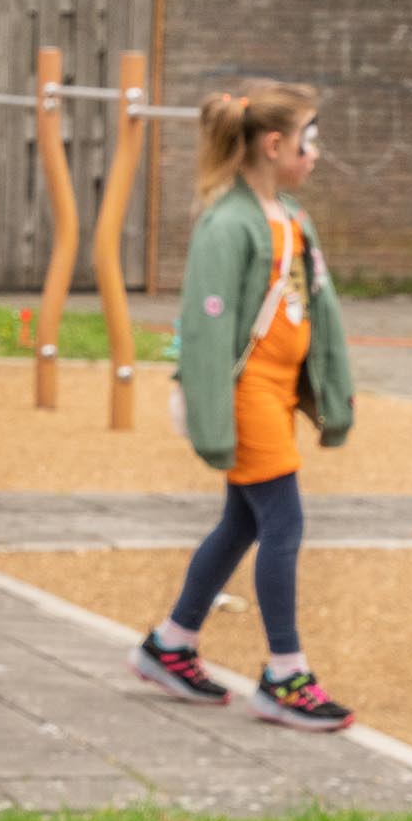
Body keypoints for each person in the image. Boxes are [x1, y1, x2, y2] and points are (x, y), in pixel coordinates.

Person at [130, 82, 356, 732]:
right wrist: (210, 416)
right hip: (247, 392)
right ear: (274, 145)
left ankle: (171, 643)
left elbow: (317, 308)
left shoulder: (291, 216)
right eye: (309, 140)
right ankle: (285, 675)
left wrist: (331, 390)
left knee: (240, 523)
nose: (316, 152)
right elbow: (206, 331)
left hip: (277, 392)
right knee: (283, 521)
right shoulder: (227, 224)